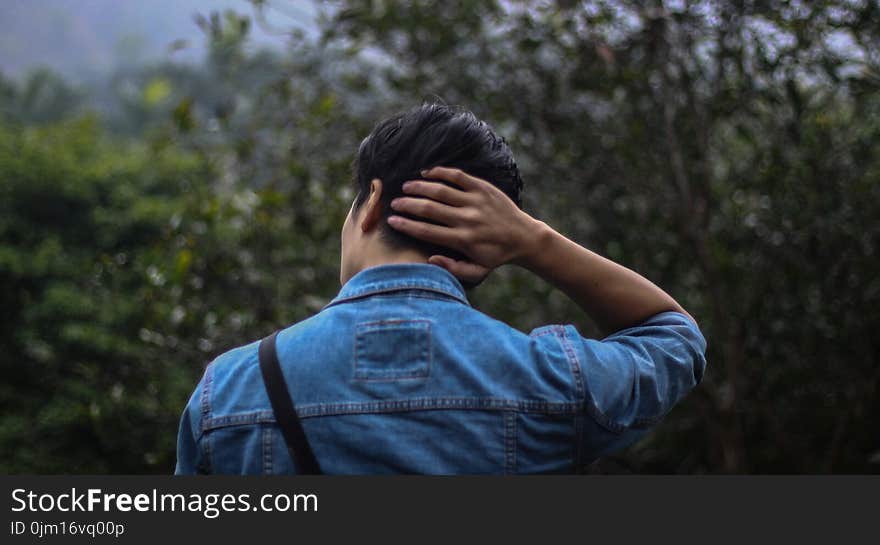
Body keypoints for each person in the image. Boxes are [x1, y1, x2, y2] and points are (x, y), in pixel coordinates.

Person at [174, 101, 707, 474]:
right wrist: (535, 242)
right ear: (488, 244)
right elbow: (674, 337)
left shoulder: (231, 390)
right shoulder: (552, 380)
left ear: (372, 203)